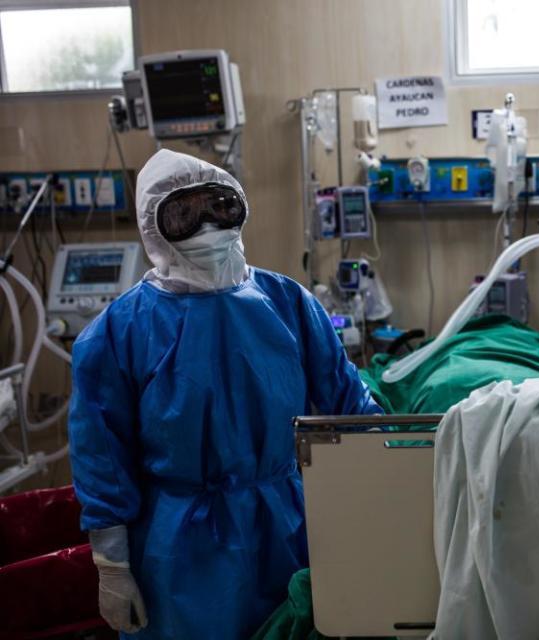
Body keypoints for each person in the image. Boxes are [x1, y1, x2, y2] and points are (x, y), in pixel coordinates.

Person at [68, 149, 382, 639]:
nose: (208, 226)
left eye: (220, 206)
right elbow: (100, 458)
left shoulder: (289, 302)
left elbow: (353, 407)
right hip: (178, 549)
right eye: (185, 215)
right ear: (154, 225)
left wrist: (392, 481)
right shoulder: (118, 333)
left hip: (287, 525)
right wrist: (112, 565)